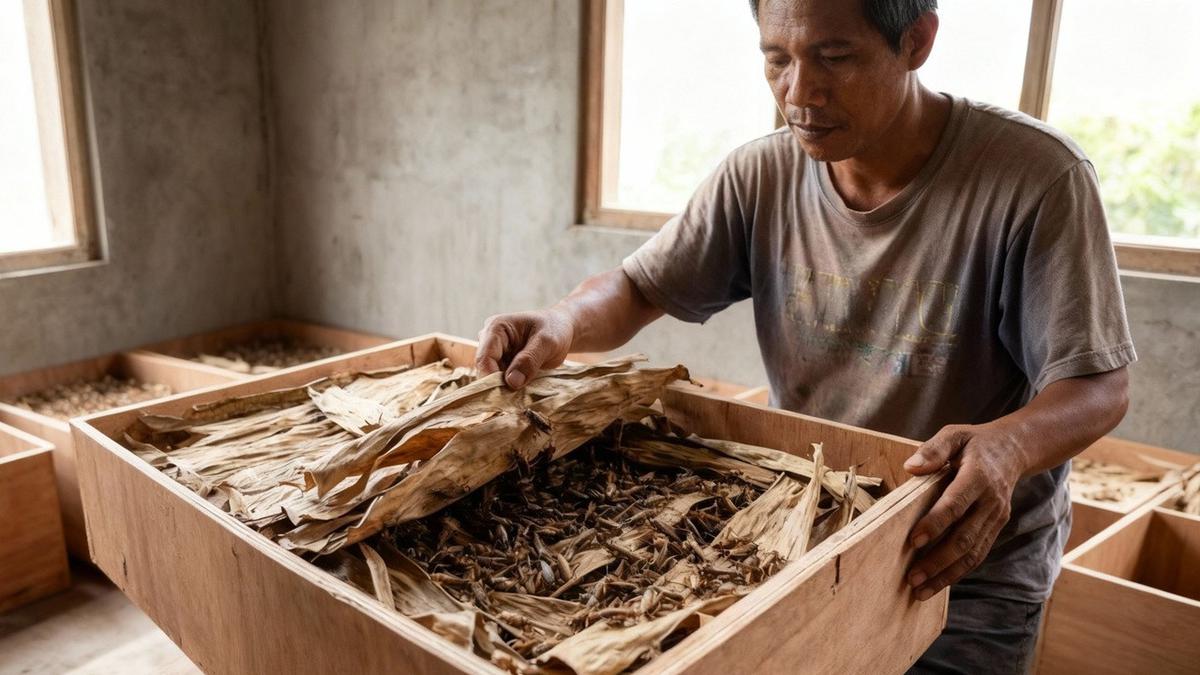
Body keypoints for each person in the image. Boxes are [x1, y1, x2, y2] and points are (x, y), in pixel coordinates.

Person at [474, 1, 1134, 671]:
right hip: (810, 543)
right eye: (776, 59)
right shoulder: (760, 174)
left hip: (960, 564)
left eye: (834, 58)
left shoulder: (1035, 177)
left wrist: (1010, 445)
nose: (799, 93)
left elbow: (1099, 386)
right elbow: (638, 287)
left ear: (916, 41)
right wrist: (563, 320)